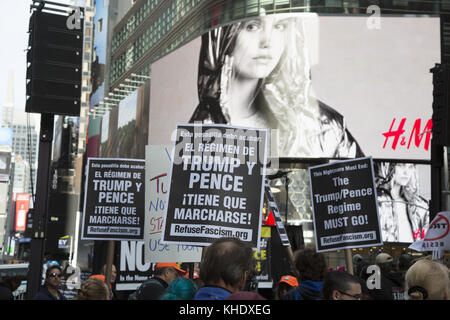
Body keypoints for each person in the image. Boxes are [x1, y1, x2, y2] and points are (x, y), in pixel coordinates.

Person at [189, 13, 363, 158]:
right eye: (252, 26)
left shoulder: (324, 129)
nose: (267, 41)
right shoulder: (199, 135)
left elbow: (366, 194)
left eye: (280, 26)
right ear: (221, 35)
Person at [375, 162, 429, 242]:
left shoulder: (420, 206)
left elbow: (427, 239)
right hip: (386, 251)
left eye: (410, 167)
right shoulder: (378, 201)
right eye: (401, 165)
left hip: (413, 252)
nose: (406, 172)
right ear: (389, 167)